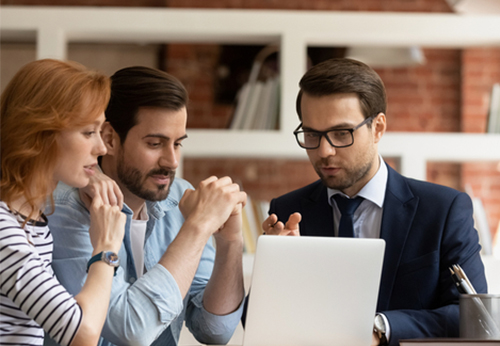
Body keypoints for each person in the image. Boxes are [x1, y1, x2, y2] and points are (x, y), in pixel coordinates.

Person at [262, 58, 487, 345]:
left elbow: (474, 317)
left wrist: (382, 328)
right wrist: (279, 270)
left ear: (378, 128)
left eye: (341, 133)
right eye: (311, 134)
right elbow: (256, 320)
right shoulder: (287, 210)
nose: (325, 151)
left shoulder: (443, 210)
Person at [45, 66, 247, 346]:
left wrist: (230, 242)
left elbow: (214, 330)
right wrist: (198, 227)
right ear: (109, 139)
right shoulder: (65, 209)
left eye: (177, 144)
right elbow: (130, 329)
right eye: (155, 143)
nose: (172, 161)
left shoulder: (181, 197)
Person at [0, 59, 126, 346]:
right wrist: (106, 248)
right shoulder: (4, 229)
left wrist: (87, 176)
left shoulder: (32, 219)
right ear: (41, 134)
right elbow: (83, 334)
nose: (102, 147)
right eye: (88, 132)